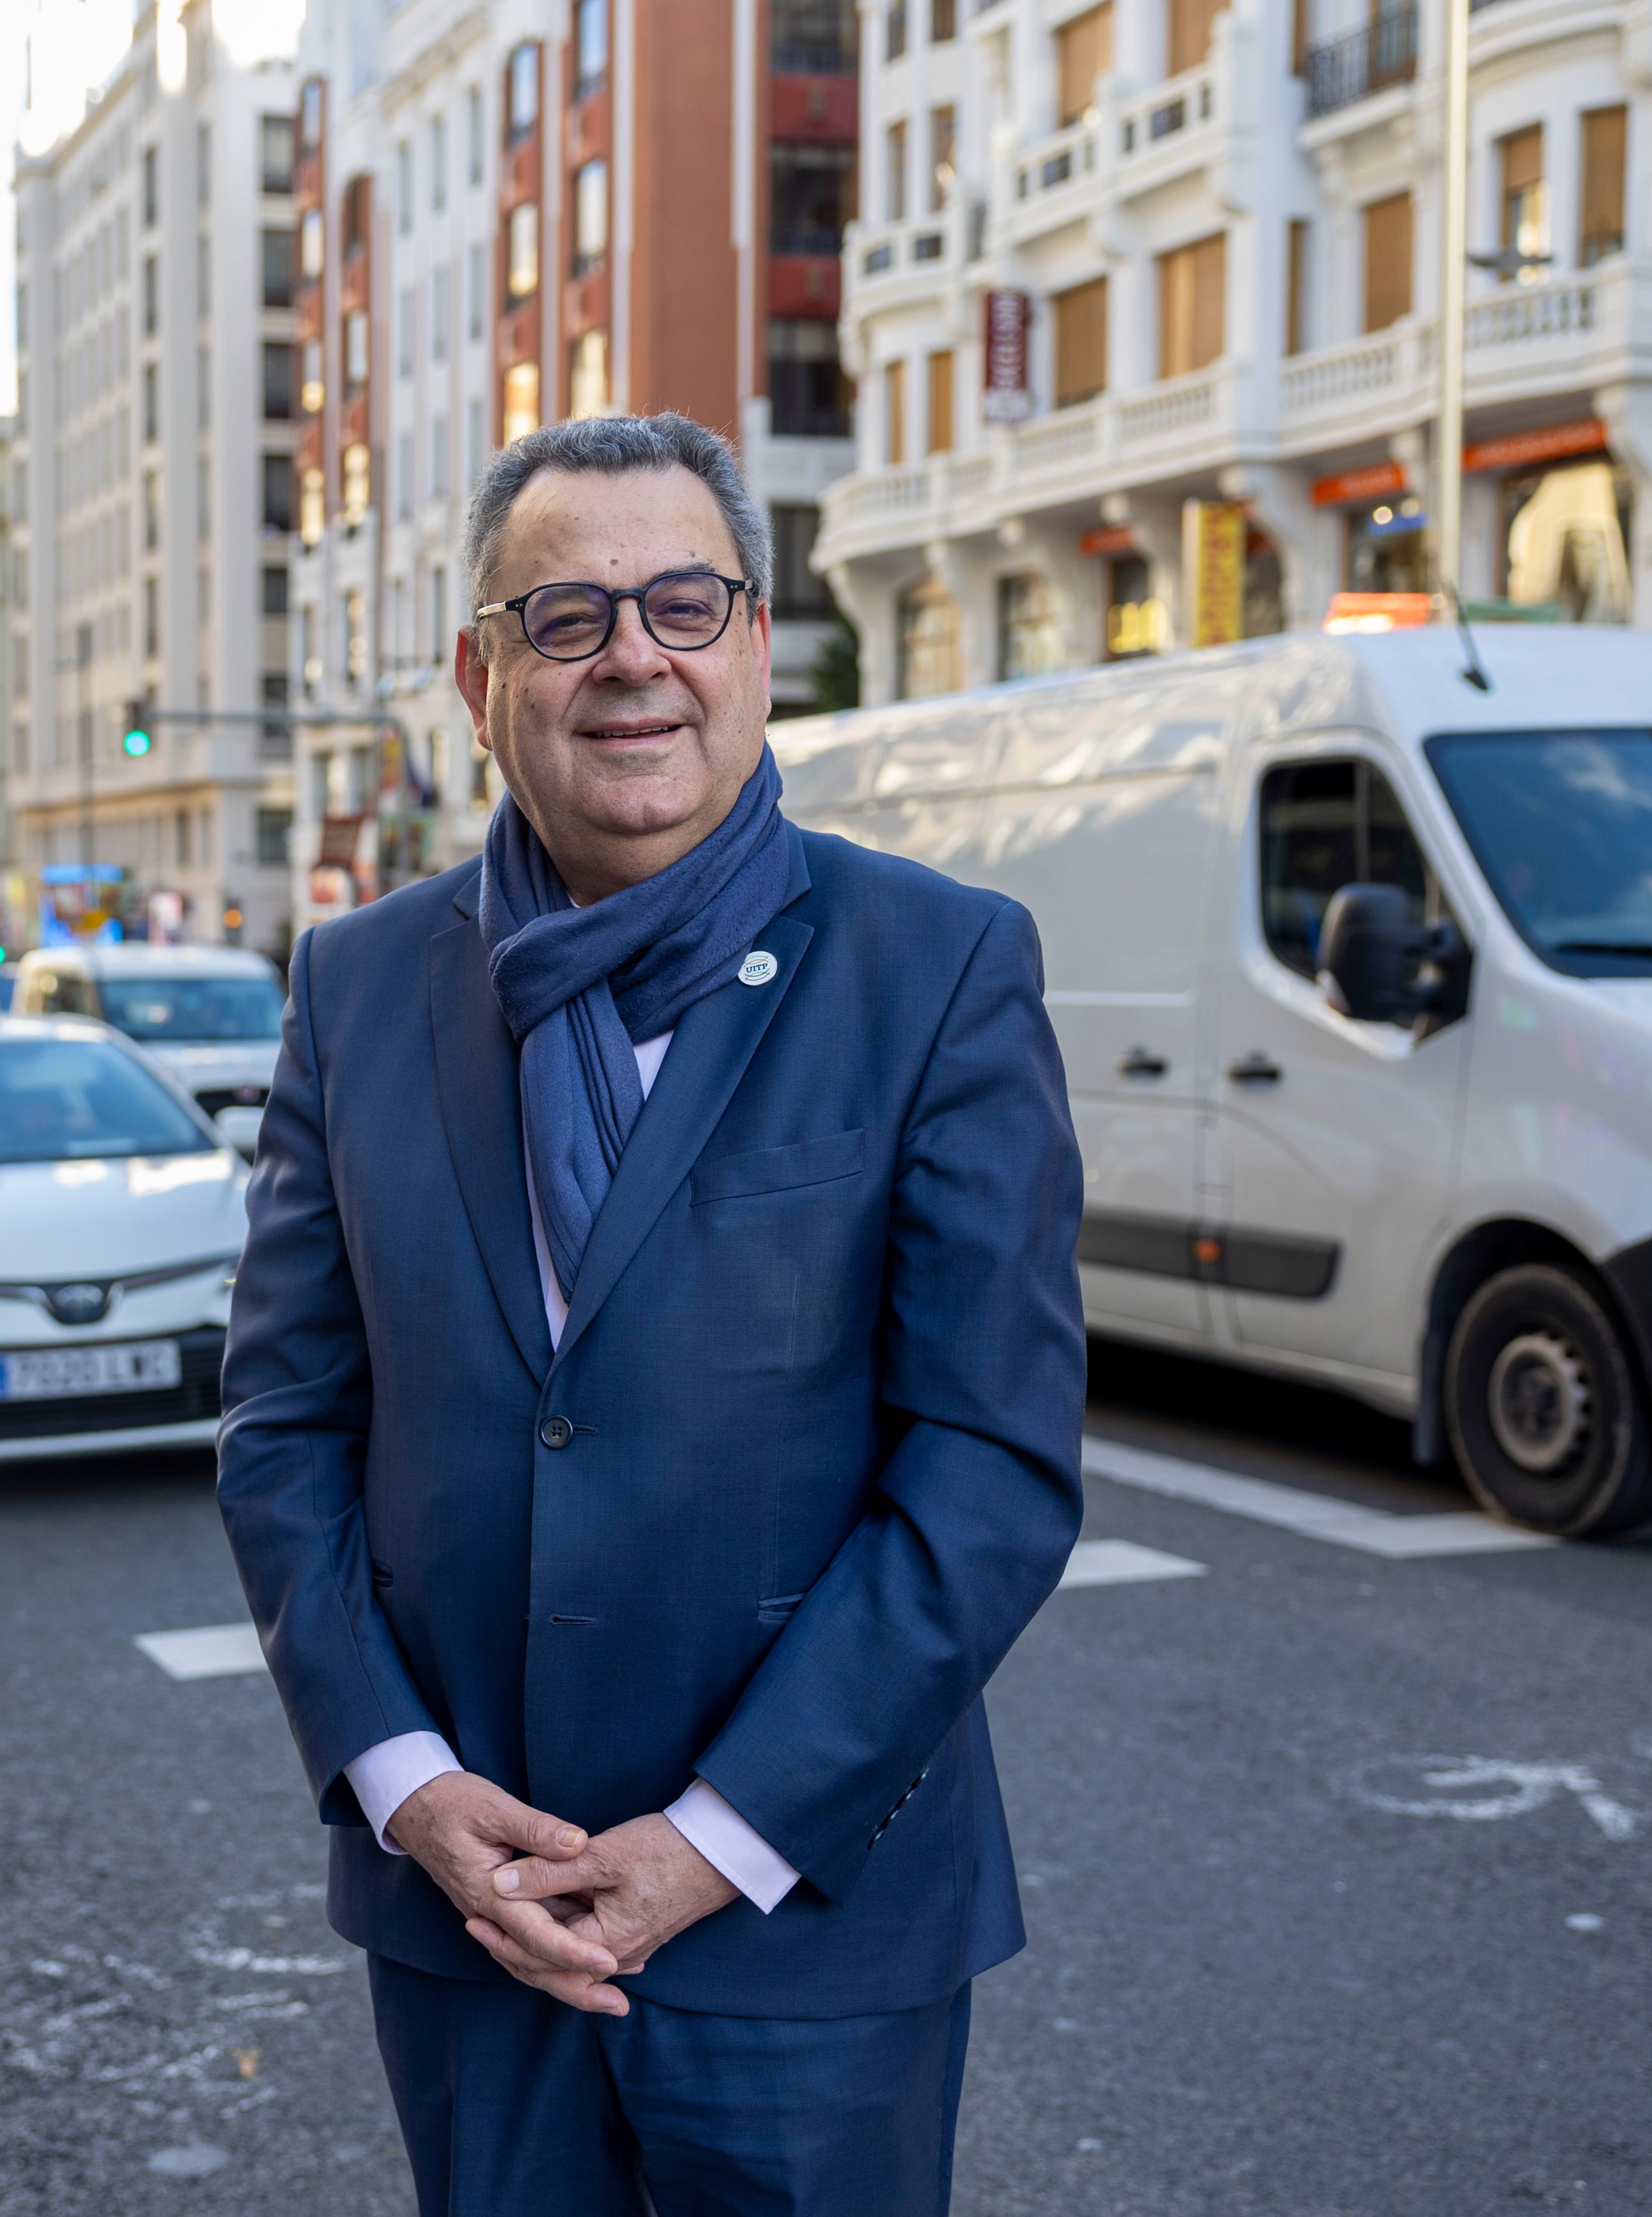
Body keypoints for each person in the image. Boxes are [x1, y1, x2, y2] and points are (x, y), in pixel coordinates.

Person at [217, 413, 1084, 2215]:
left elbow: (990, 1464)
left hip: (804, 1921)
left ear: (754, 645)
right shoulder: (357, 985)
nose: (633, 658)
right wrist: (404, 1784)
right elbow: (286, 1427)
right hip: (477, 1915)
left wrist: (714, 1837)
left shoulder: (938, 966)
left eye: (685, 605)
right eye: (567, 617)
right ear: (480, 678)